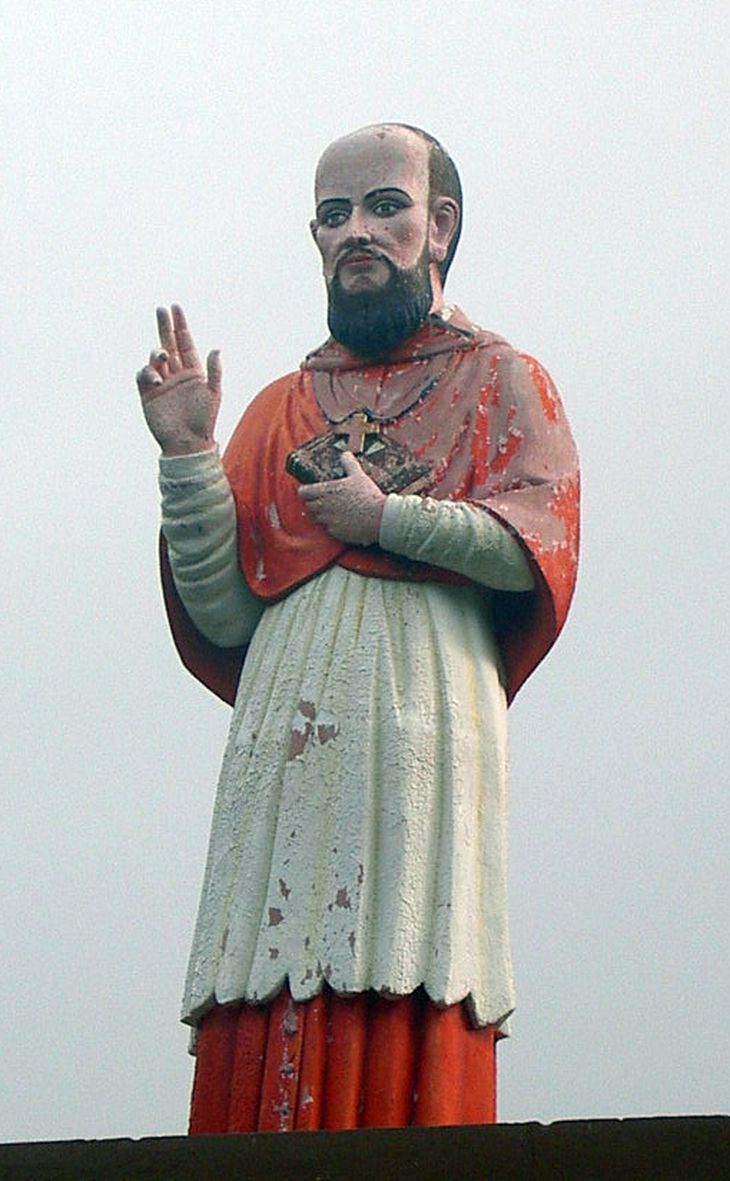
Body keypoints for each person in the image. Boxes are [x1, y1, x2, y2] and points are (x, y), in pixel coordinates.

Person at [136, 123, 579, 1134]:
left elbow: (534, 545)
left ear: (440, 226)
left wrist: (390, 521)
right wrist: (189, 458)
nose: (357, 232)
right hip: (283, 749)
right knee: (266, 958)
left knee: (411, 951)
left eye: (385, 206)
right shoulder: (280, 408)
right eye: (334, 216)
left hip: (423, 719)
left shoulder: (500, 380)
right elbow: (225, 611)